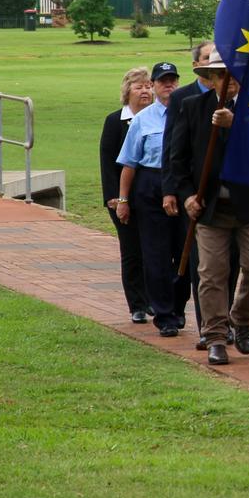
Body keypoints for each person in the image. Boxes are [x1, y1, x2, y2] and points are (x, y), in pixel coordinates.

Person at [166, 51, 249, 366]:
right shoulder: (191, 107)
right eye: (221, 74)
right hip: (210, 207)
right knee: (212, 273)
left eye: (235, 74)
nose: (230, 80)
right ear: (209, 79)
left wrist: (237, 123)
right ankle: (214, 337)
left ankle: (240, 317)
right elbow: (178, 160)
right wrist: (185, 195)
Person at [161, 41, 237, 350]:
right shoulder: (184, 99)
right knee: (203, 265)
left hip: (236, 198)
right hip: (198, 195)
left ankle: (229, 319)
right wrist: (174, 191)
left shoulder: (244, 104)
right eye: (208, 60)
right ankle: (209, 325)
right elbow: (173, 149)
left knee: (233, 263)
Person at [115, 61, 188, 337]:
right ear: (154, 86)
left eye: (172, 81)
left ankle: (178, 305)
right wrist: (123, 200)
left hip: (182, 185)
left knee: (186, 251)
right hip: (151, 183)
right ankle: (164, 314)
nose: (168, 85)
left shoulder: (188, 112)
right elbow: (129, 163)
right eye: (162, 81)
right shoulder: (143, 120)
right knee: (156, 253)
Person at [100, 67, 153, 323]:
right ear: (127, 91)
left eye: (148, 86)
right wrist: (114, 196)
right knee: (132, 250)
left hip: (152, 195)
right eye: (139, 86)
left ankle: (154, 298)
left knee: (154, 249)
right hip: (123, 198)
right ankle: (137, 304)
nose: (145, 91)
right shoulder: (115, 121)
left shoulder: (161, 117)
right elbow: (108, 160)